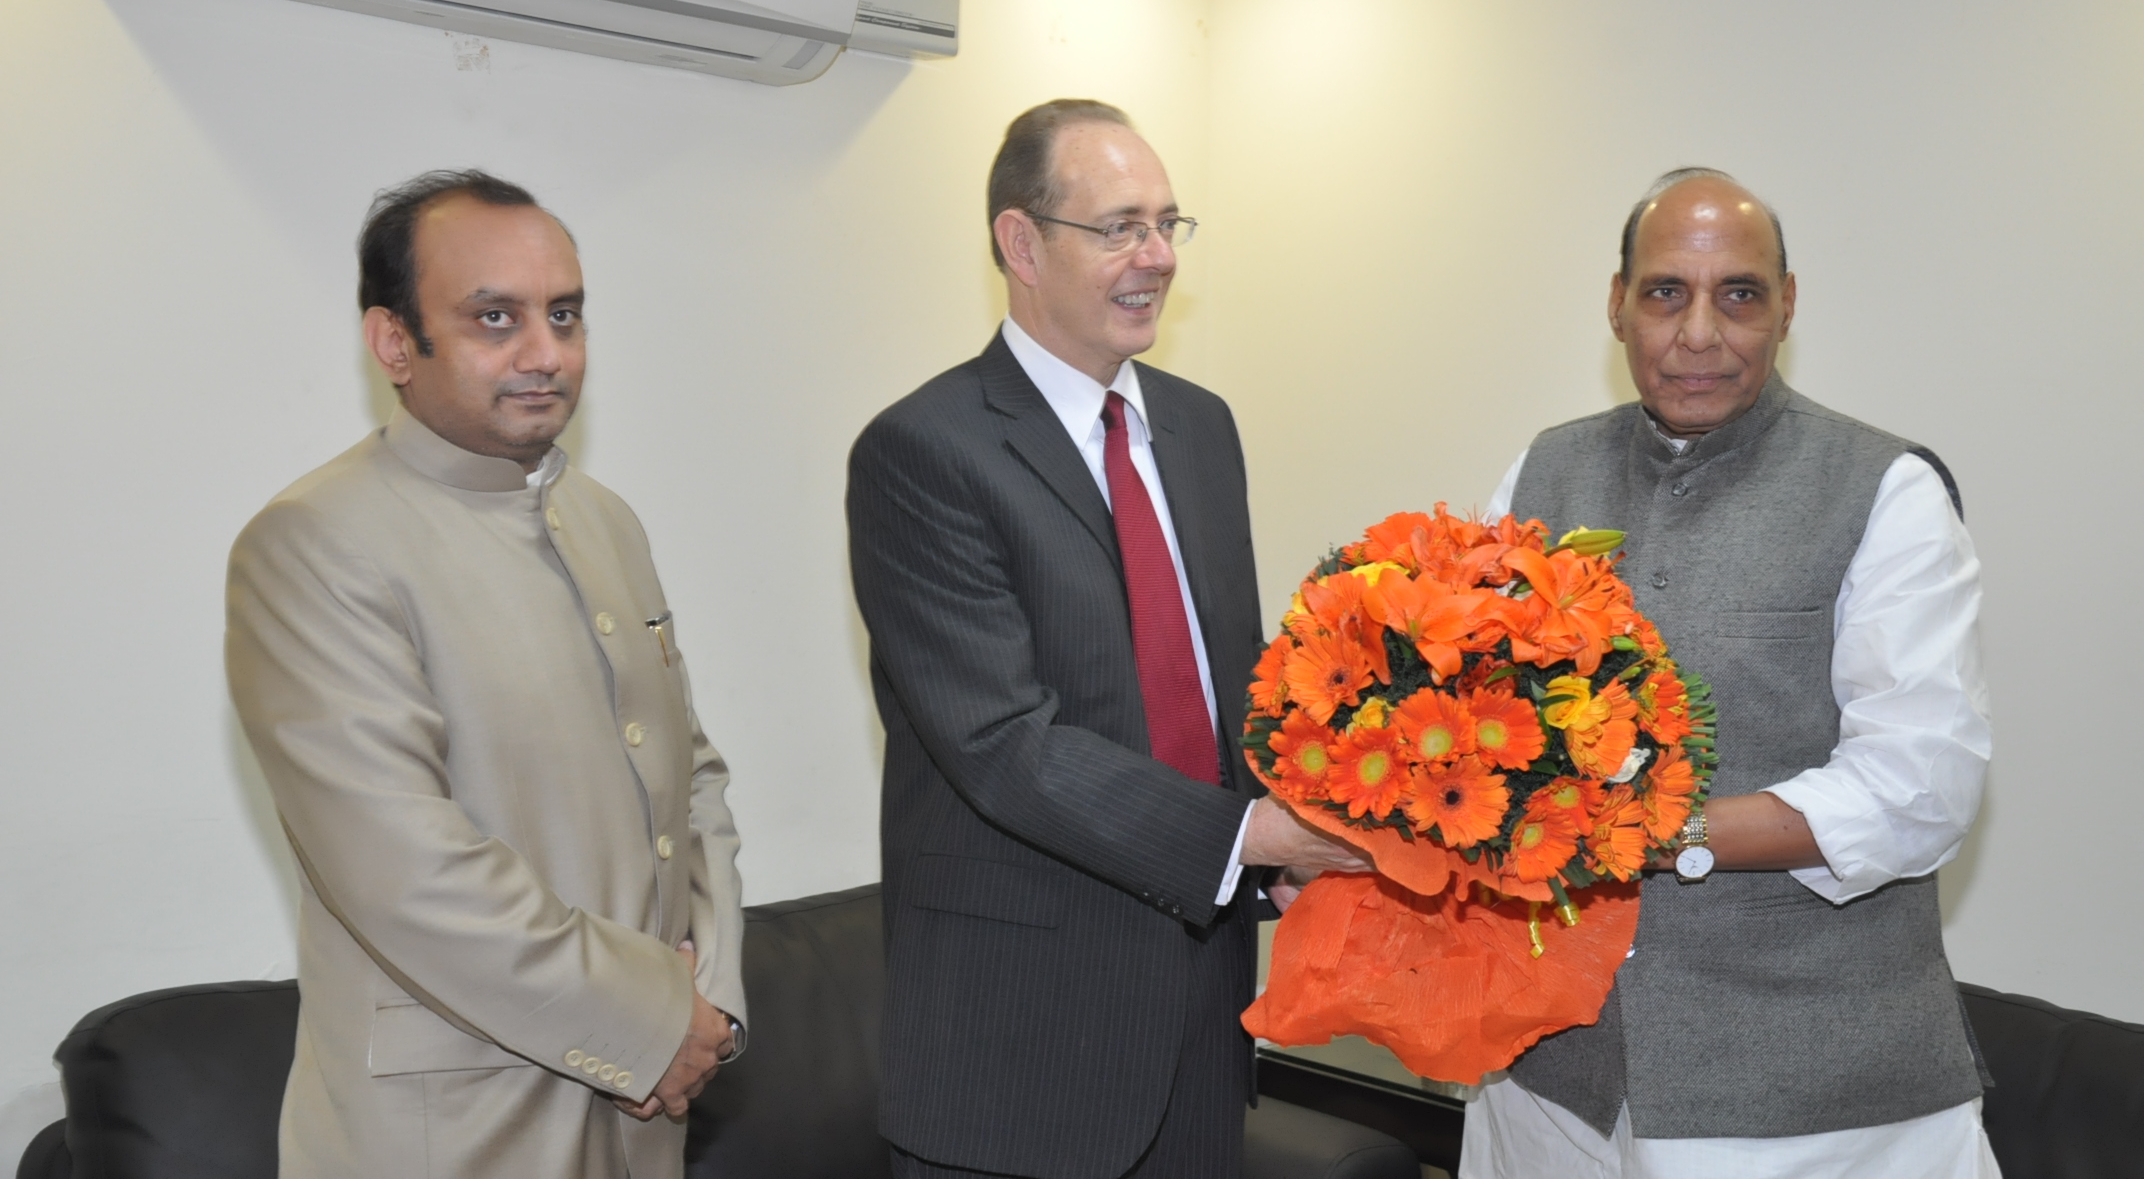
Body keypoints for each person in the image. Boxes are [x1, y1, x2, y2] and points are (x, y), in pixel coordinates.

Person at [846, 100, 1369, 1179]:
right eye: (1120, 226)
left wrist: (1302, 825)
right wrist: (1251, 836)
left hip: (1201, 1021)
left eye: (1169, 223)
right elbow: (1002, 742)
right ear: (1020, 243)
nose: (1157, 257)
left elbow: (1229, 687)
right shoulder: (924, 451)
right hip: (1015, 1047)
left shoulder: (1197, 425)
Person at [1460, 168, 1997, 1178]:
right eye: (1664, 291)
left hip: (1810, 1102)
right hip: (1549, 1079)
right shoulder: (1539, 471)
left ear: (1785, 305)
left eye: (1737, 294)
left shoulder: (1884, 489)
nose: (1697, 330)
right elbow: (1479, 713)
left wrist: (1651, 834)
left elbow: (1918, 789)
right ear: (1614, 303)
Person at [226, 171, 746, 1179]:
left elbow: (693, 780)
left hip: (648, 1112)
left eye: (564, 314)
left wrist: (711, 1003)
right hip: (454, 1130)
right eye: (494, 317)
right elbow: (409, 870)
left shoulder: (605, 522)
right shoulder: (313, 543)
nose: (545, 352)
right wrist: (654, 1018)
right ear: (393, 343)